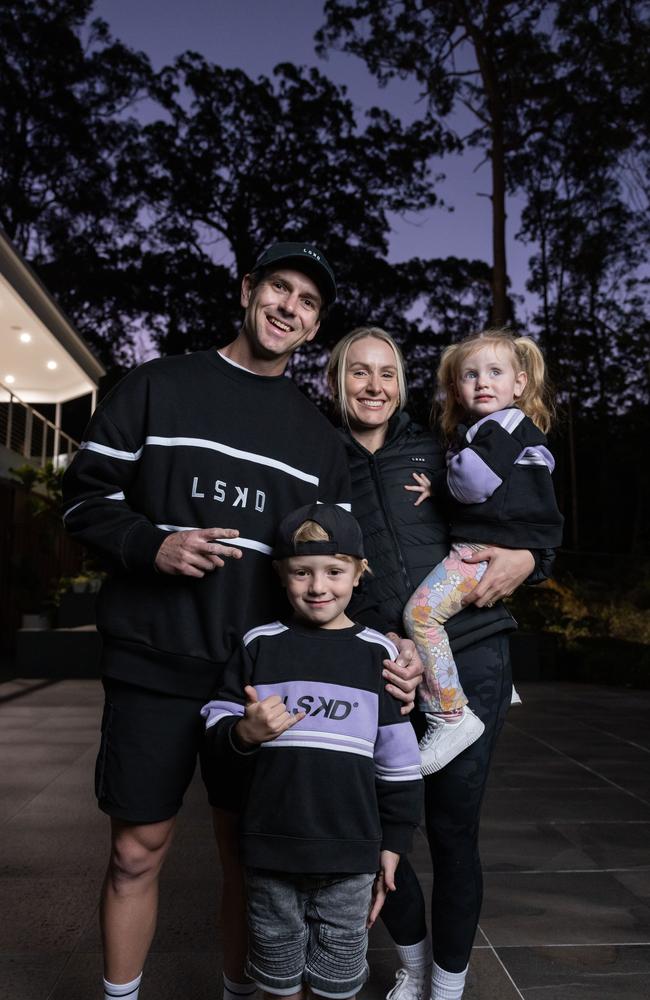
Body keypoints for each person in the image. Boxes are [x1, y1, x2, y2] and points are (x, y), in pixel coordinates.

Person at [61, 244, 424, 1000]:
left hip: (265, 687)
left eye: (309, 303)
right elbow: (84, 498)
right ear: (248, 290)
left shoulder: (318, 441)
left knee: (249, 863)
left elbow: (348, 568)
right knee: (137, 851)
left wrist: (393, 643)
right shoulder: (158, 386)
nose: (290, 307)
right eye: (279, 289)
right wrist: (150, 543)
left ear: (314, 324)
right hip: (154, 664)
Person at [327, 326, 554, 1000]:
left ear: (403, 384)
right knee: (380, 828)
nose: (374, 386)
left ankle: (449, 985)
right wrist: (377, 645)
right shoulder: (315, 457)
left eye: (388, 373)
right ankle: (413, 965)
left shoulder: (441, 447)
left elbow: (523, 523)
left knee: (454, 829)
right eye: (359, 373)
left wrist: (529, 561)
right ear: (335, 381)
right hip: (380, 669)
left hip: (475, 652)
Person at [201, 503, 423, 1000]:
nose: (318, 586)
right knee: (278, 980)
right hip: (269, 847)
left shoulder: (377, 653)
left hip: (351, 852)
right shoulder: (261, 645)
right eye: (302, 572)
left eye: (334, 571)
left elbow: (400, 762)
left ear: (359, 574)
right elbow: (215, 720)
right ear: (281, 575)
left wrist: (394, 843)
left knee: (339, 980)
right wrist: (244, 732)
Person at [402, 330, 563, 775]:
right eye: (470, 375)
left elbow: (473, 482)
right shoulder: (495, 430)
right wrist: (440, 483)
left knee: (420, 615)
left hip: (479, 550)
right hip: (496, 543)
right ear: (456, 388)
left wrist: (446, 478)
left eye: (495, 372)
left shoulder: (501, 426)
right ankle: (499, 684)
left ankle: (450, 714)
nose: (482, 382)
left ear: (520, 383)